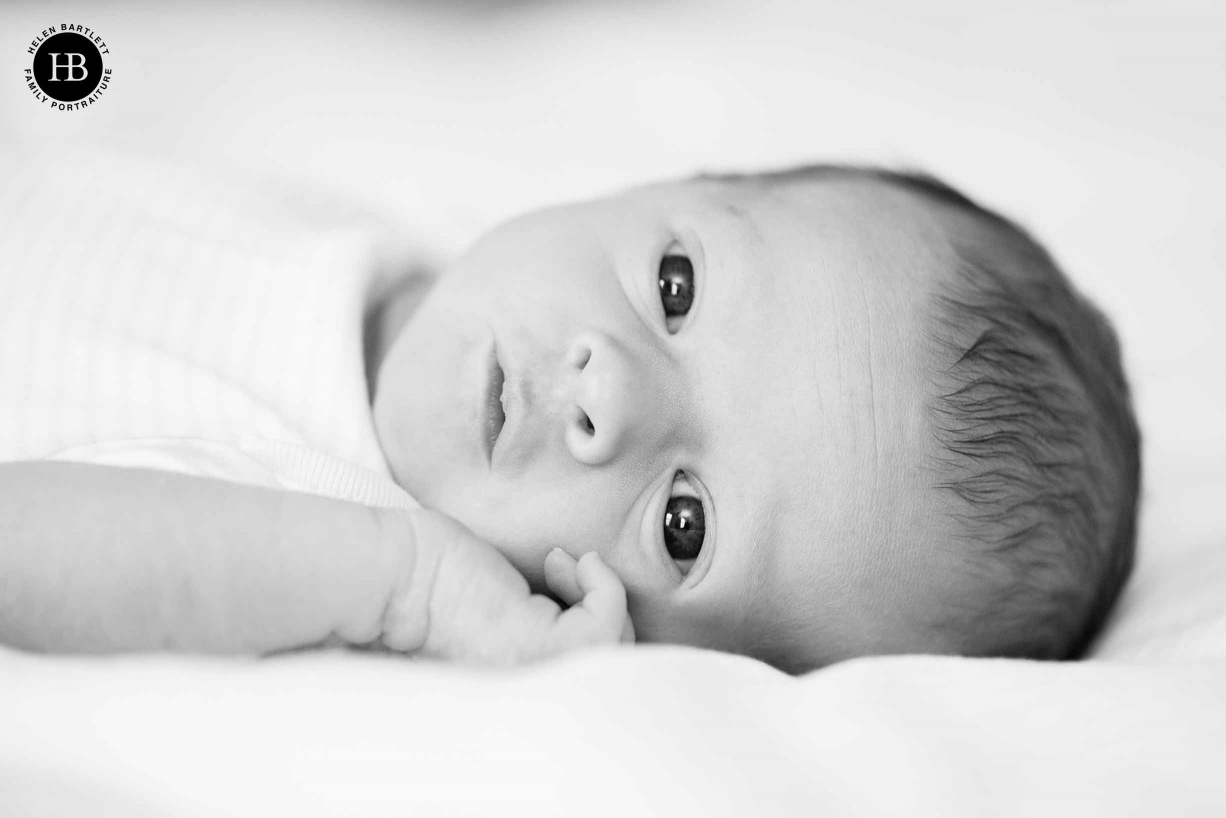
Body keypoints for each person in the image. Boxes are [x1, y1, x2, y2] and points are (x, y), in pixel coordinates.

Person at [0, 151, 1140, 673]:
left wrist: (403, 586)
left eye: (682, 522)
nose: (610, 392)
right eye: (676, 287)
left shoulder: (332, 527)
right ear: (667, 181)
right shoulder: (410, 225)